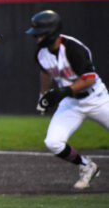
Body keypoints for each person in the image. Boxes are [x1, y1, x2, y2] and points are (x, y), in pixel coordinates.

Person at [26, 10, 109, 189]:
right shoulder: (41, 53)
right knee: (53, 142)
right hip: (71, 102)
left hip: (96, 98)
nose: (37, 38)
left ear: (52, 32)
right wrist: (43, 96)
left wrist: (63, 91)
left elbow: (89, 79)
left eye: (40, 34)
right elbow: (46, 72)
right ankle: (87, 166)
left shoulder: (73, 48)